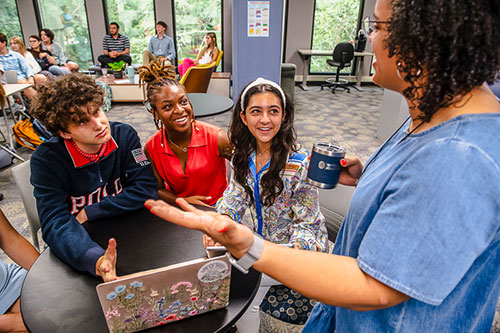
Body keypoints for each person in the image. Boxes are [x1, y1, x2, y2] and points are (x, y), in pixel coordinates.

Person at [145, 0, 500, 331]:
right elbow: (417, 203)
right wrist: (372, 176)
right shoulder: (430, 118)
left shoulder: (460, 156)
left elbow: (376, 286)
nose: (367, 37)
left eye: (375, 25)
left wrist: (250, 245)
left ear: (420, 34)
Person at [213, 77, 329, 332]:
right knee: (221, 266)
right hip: (265, 245)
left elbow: (307, 225)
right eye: (256, 111)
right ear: (244, 117)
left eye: (273, 111)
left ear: (284, 116)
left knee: (240, 280)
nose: (265, 119)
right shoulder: (244, 155)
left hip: (300, 254)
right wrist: (222, 220)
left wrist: (274, 257)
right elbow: (235, 195)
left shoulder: (300, 162)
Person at [30, 73, 158, 281]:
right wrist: (94, 259)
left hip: (124, 232)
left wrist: (91, 210)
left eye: (97, 111)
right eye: (82, 122)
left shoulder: (125, 136)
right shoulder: (46, 161)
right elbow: (55, 221)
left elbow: (146, 189)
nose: (98, 124)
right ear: (64, 132)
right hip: (76, 241)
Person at [138, 60, 231, 206]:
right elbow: (158, 189)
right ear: (155, 113)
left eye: (183, 102)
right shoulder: (151, 147)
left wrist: (229, 203)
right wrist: (181, 201)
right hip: (180, 209)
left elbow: (248, 169)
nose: (180, 110)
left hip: (217, 209)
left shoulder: (216, 137)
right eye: (168, 106)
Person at [0, 208, 39, 332]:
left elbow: (11, 241)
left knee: (65, 309)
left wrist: (47, 275)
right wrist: (13, 324)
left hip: (7, 280)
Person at [0, 33, 38, 99]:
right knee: (25, 85)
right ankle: (42, 105)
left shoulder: (16, 55)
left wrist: (30, 77)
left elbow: (27, 67)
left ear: (4, 43)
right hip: (9, 80)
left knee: (40, 78)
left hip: (22, 76)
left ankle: (48, 99)